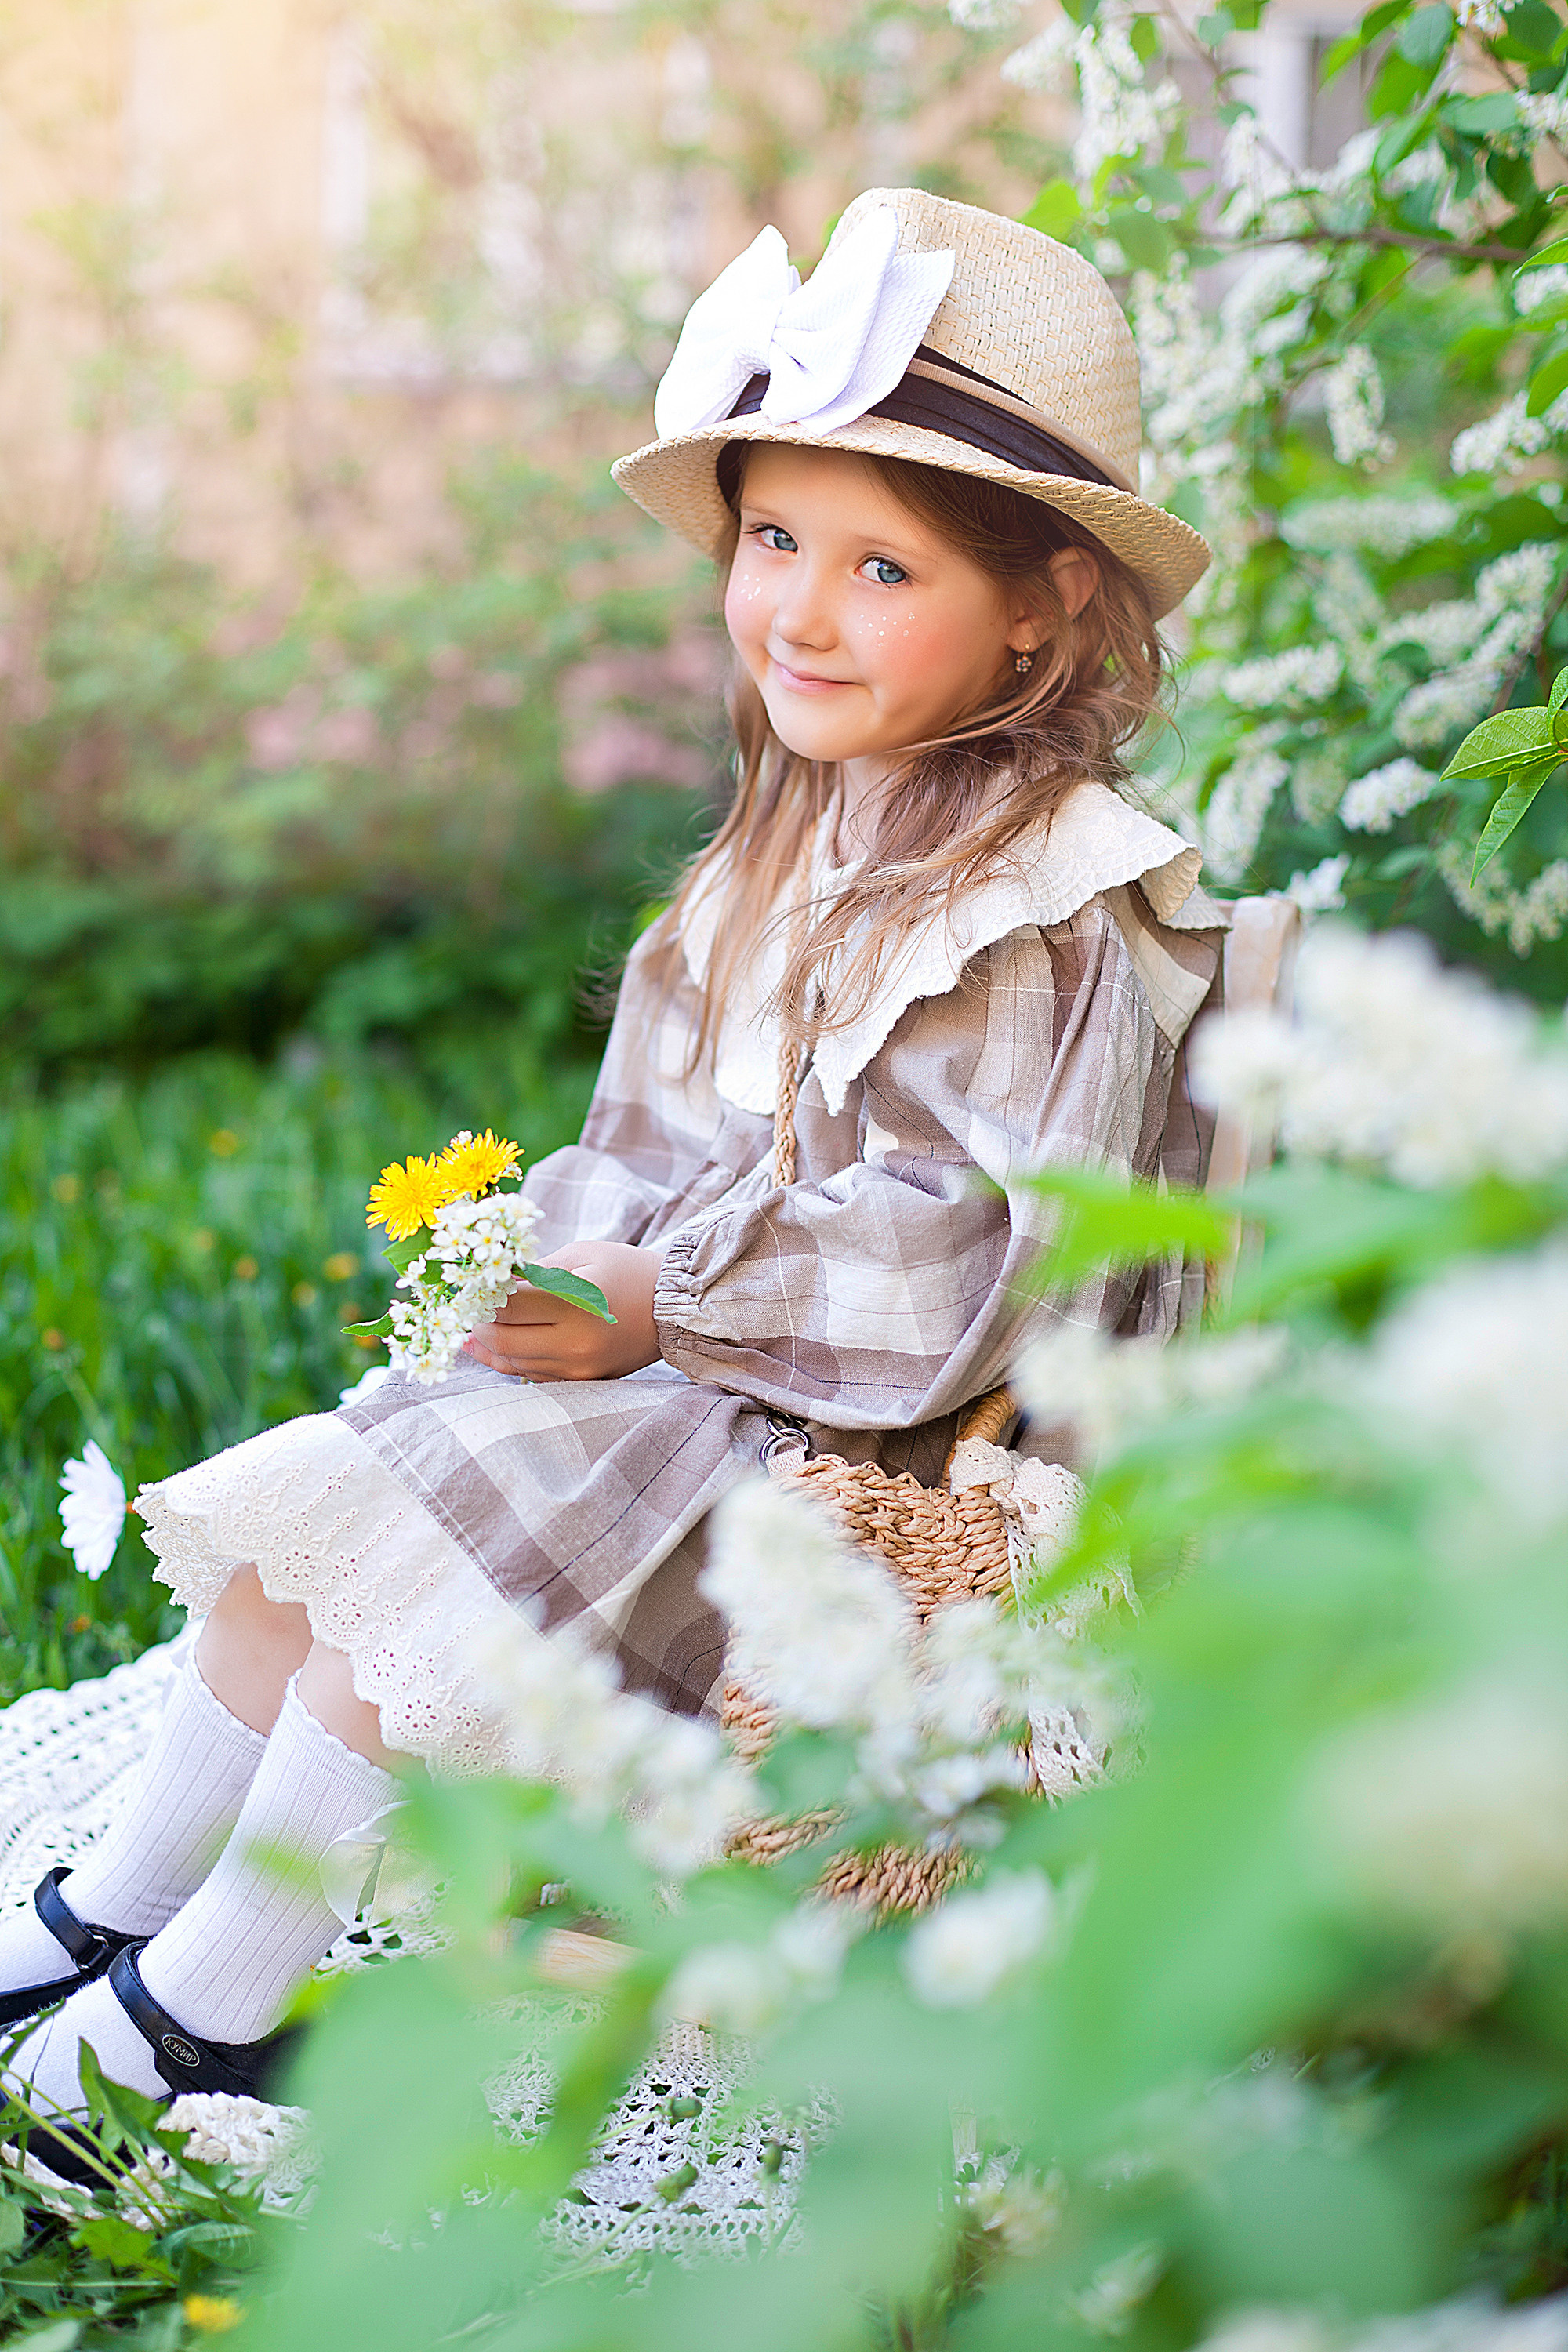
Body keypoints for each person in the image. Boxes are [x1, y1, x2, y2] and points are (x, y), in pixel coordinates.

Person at [0, 187, 1224, 2155]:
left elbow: (961, 1267)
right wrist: (563, 1272)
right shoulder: (787, 843)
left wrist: (666, 1302)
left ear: (1044, 602)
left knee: (454, 1526)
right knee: (356, 1487)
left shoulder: (1042, 905)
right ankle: (125, 1904)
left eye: (882, 566)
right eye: (772, 540)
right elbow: (639, 1137)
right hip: (731, 1381)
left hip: (909, 1477)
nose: (799, 612)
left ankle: (203, 2005)